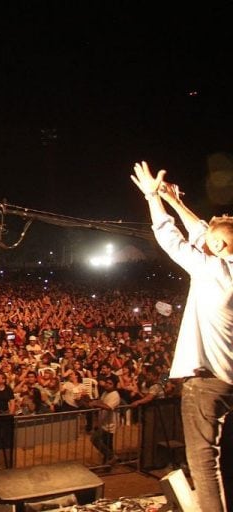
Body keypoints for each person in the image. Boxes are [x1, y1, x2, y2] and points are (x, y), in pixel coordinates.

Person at [132, 161, 233, 511]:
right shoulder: (225, 264)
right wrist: (175, 201)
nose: (203, 241)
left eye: (210, 242)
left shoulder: (213, 273)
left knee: (204, 461)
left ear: (219, 248)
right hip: (229, 379)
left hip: (207, 382)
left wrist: (152, 198)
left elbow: (169, 236)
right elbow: (204, 232)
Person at [88, 377, 122, 466]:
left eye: (110, 383)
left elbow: (109, 407)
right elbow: (101, 401)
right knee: (107, 445)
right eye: (107, 382)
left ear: (114, 385)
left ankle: (111, 457)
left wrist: (96, 404)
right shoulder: (105, 392)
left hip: (109, 424)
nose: (107, 384)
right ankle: (107, 464)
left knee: (96, 440)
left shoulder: (115, 395)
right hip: (103, 423)